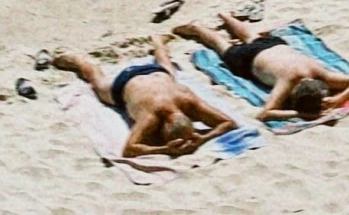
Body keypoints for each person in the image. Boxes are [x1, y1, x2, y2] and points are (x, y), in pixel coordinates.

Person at [52, 41, 237, 162]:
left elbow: (229, 123)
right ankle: (78, 61)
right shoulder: (155, 115)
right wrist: (166, 149)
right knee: (98, 83)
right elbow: (129, 150)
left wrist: (204, 138)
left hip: (156, 72)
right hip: (125, 82)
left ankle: (158, 44)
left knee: (168, 67)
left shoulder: (188, 102)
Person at [171, 14, 349, 123]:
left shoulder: (319, 74)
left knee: (252, 36)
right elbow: (265, 113)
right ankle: (197, 27)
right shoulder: (288, 82)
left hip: (274, 45)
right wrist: (302, 114)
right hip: (249, 59)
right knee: (222, 46)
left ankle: (227, 17)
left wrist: (339, 97)